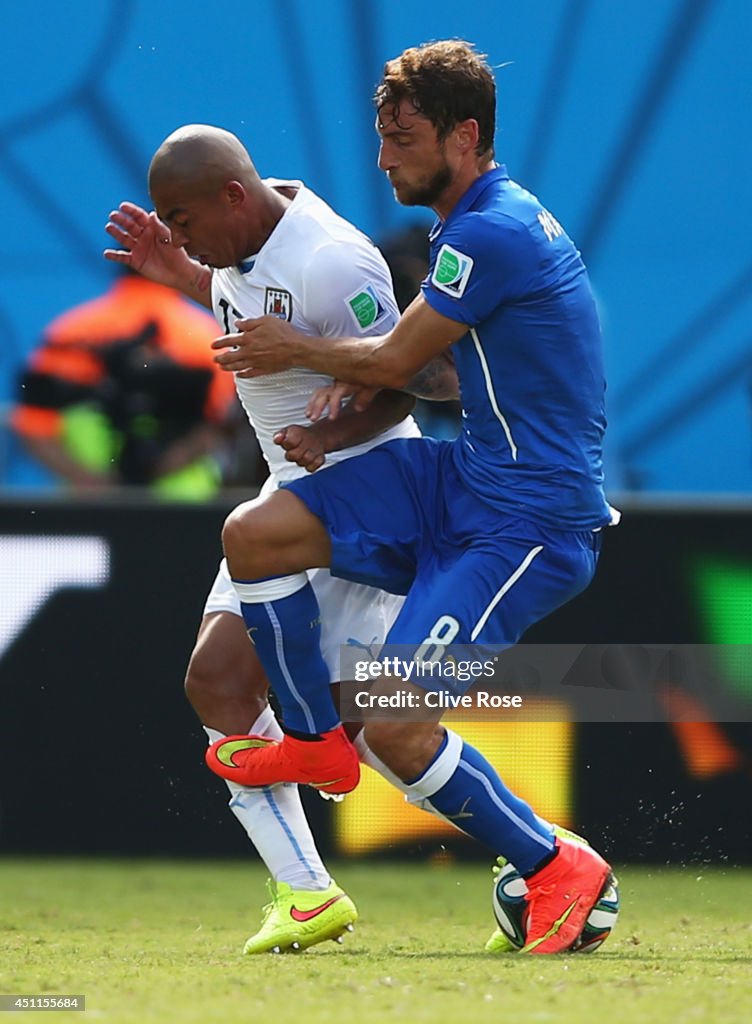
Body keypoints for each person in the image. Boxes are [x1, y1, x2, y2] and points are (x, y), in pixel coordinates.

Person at [206, 39, 618, 955]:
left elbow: (396, 359)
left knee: (393, 719)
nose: (386, 157)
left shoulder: (491, 230)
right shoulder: (469, 222)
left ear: (465, 136)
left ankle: (555, 866)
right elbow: (434, 375)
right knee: (257, 533)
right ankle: (314, 741)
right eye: (383, 136)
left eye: (406, 138)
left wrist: (296, 349)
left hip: (531, 523)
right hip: (464, 479)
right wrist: (345, 427)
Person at [104, 124, 458, 953]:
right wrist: (179, 271)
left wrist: (330, 442)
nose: (179, 232)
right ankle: (307, 893)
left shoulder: (333, 260)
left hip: (357, 495)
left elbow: (419, 380)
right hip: (289, 490)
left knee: (355, 724)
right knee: (228, 690)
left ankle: (545, 855)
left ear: (231, 196)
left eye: (182, 220)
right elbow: (252, 312)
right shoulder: (237, 243)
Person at [11, 268, 235, 500]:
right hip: (183, 507)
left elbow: (33, 425)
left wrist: (87, 480)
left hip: (88, 508)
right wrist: (153, 472)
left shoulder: (69, 330)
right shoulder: (204, 335)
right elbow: (216, 426)